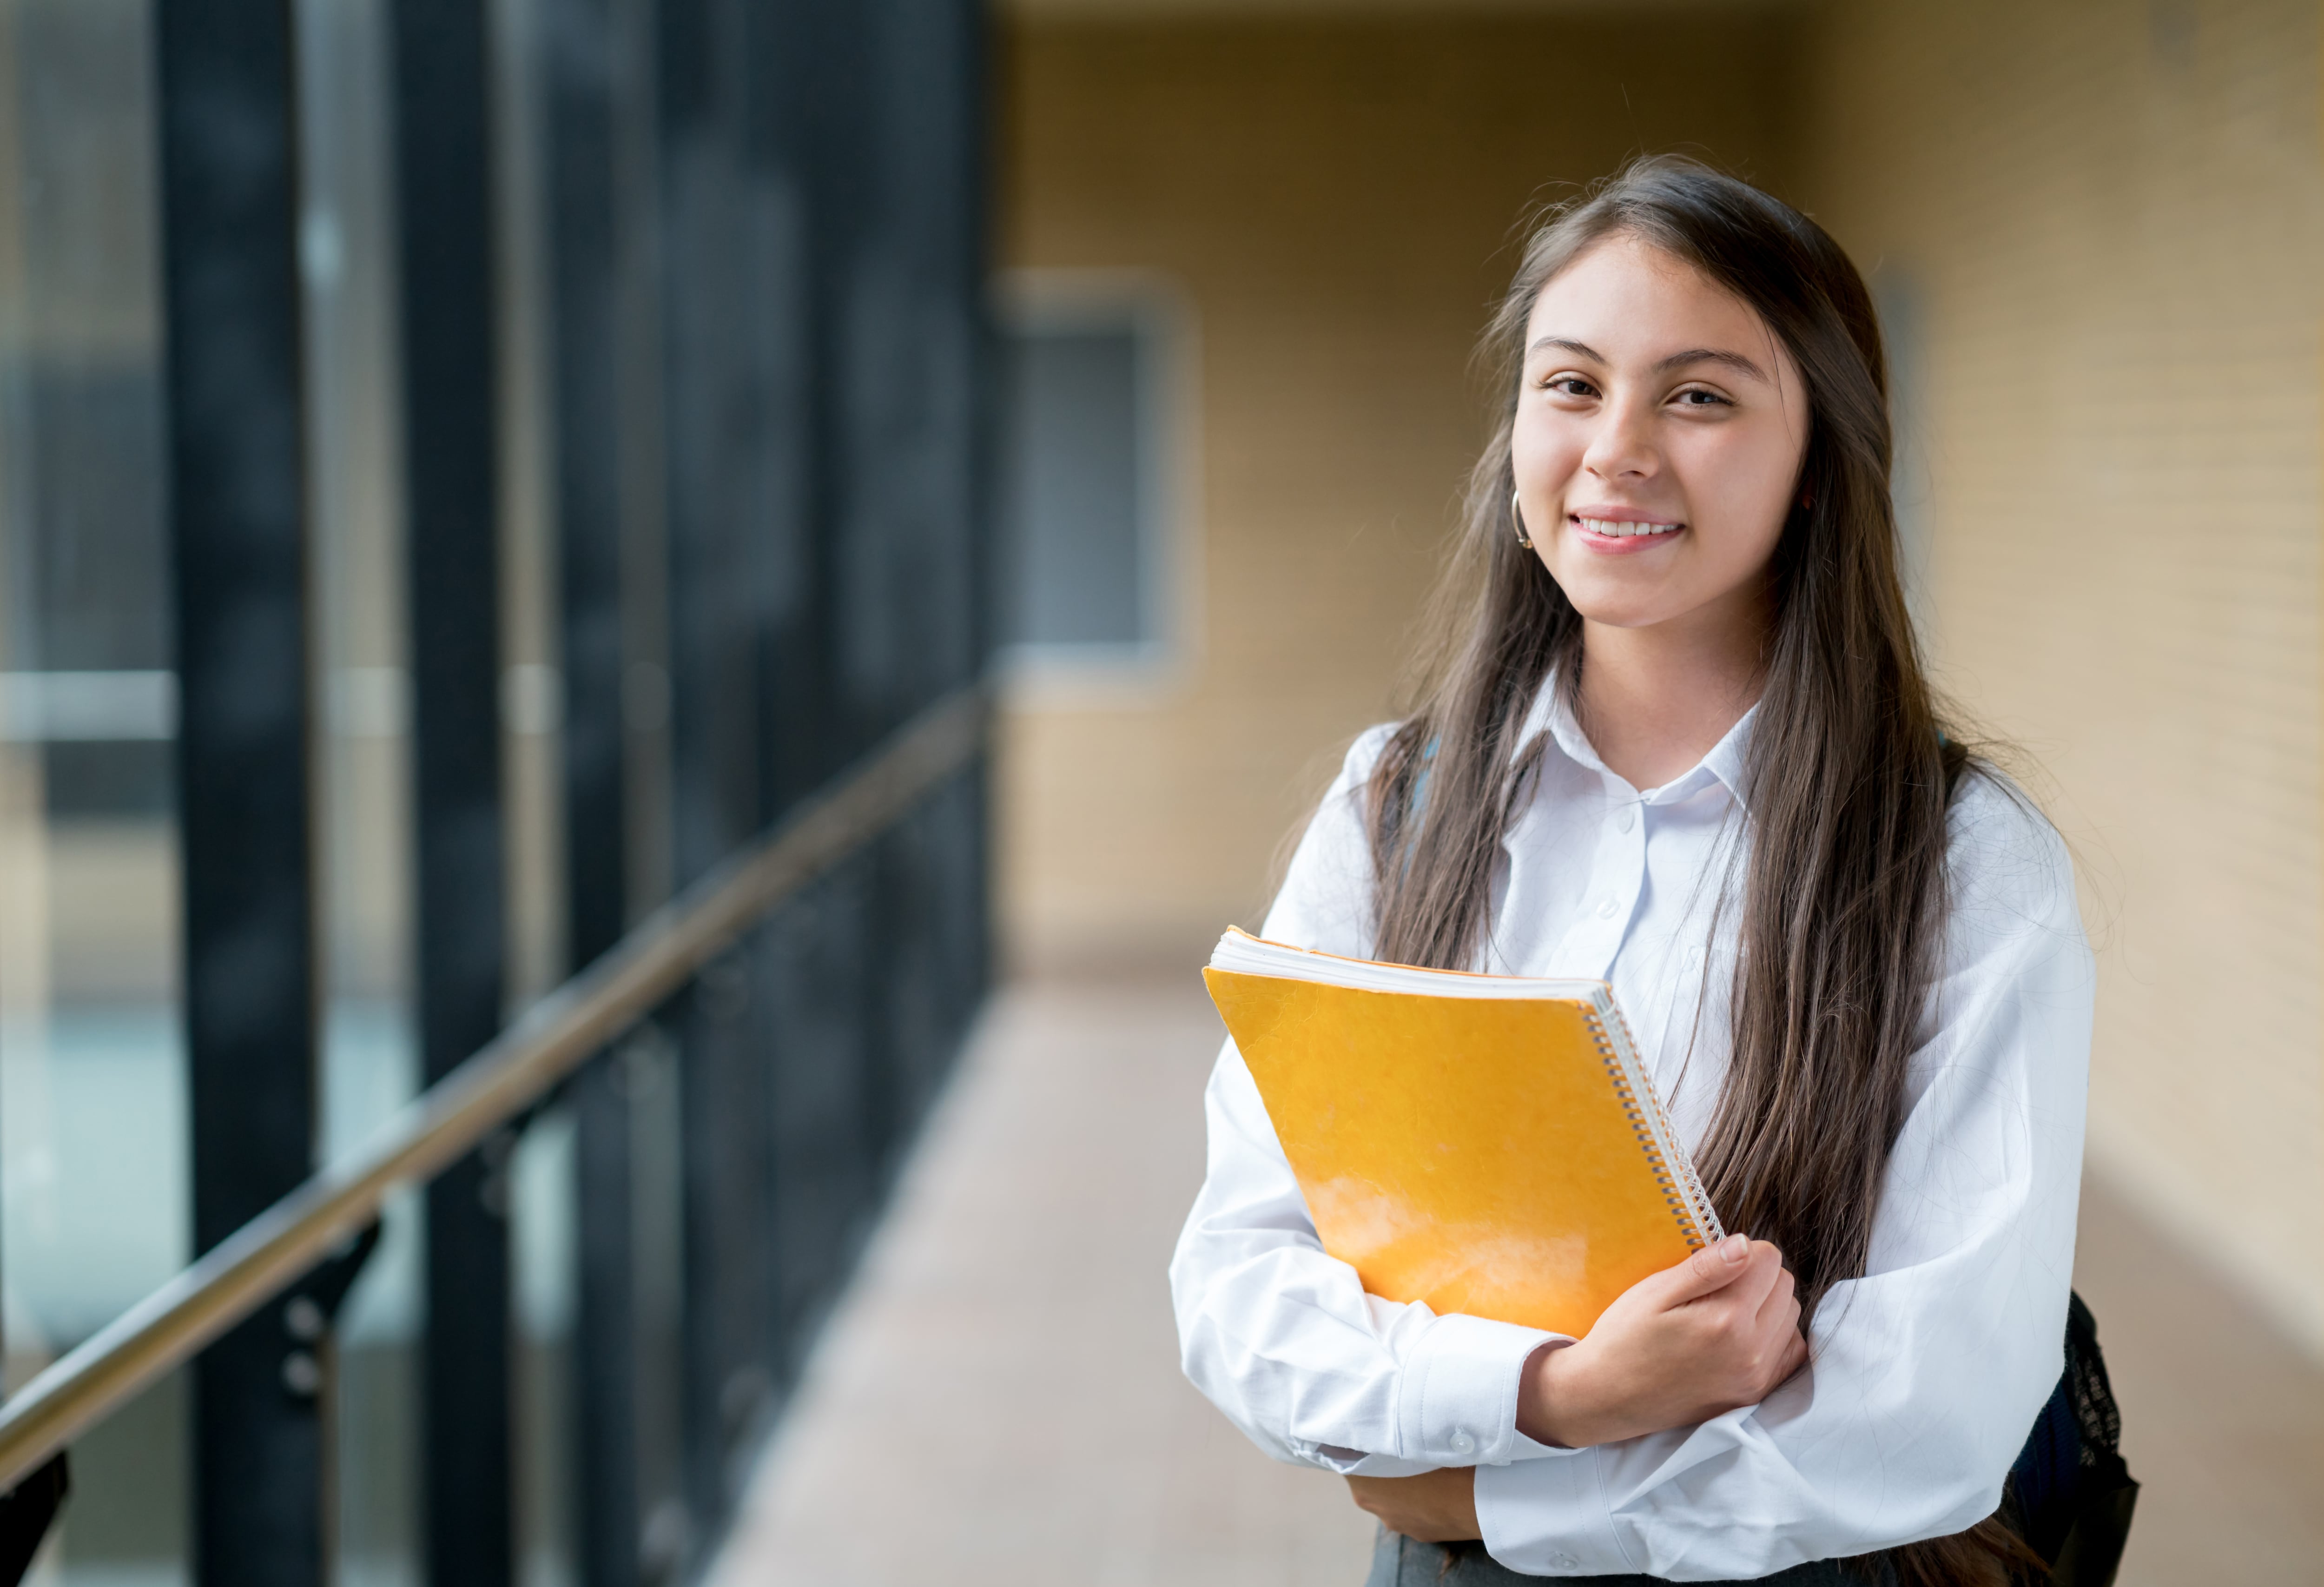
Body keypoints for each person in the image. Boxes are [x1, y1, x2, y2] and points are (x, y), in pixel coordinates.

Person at [1167, 156, 2093, 1586]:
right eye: (1572, 384)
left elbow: (1926, 1413)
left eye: (1703, 395)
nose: (1618, 449)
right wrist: (1560, 1397)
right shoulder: (1393, 810)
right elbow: (1240, 1286)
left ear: (1819, 462)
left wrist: (1482, 1496)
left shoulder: (1964, 863)